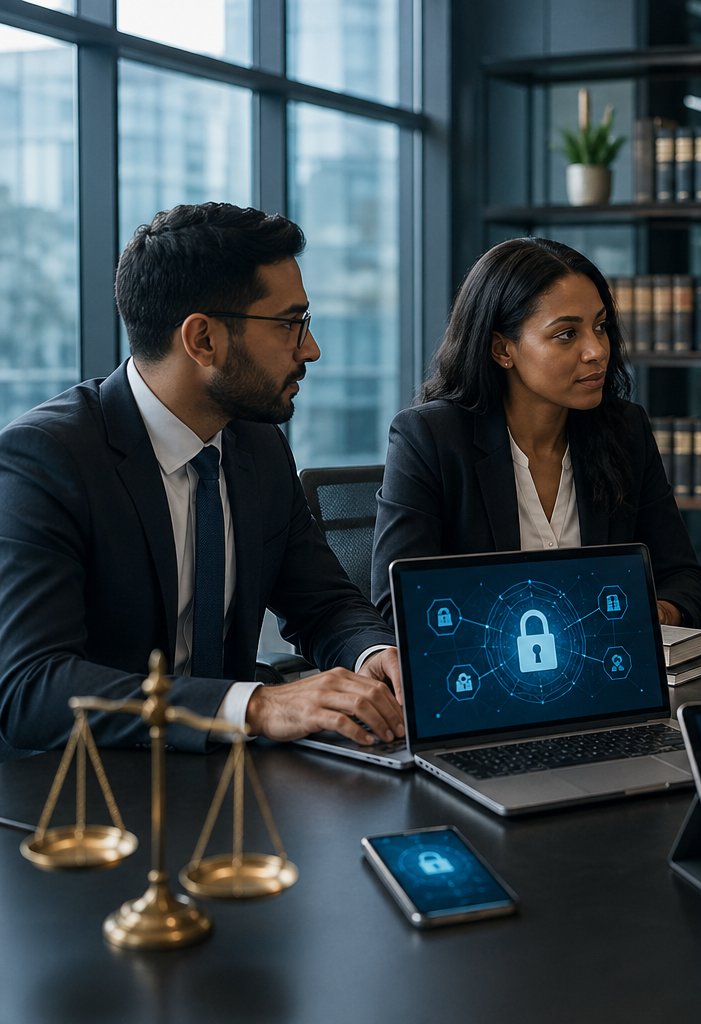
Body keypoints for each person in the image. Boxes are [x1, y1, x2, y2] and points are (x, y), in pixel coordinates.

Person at [0, 203, 404, 759]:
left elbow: (323, 601)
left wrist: (374, 652)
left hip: (231, 783)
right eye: (291, 324)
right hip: (91, 797)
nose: (310, 349)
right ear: (203, 340)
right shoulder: (46, 460)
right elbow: (32, 691)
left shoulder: (257, 445)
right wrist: (257, 706)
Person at [372, 237, 701, 628]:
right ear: (502, 349)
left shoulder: (624, 430)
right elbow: (399, 603)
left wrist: (649, 615)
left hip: (606, 669)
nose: (597, 350)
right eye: (567, 334)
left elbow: (684, 579)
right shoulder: (430, 437)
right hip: (480, 677)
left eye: (600, 327)